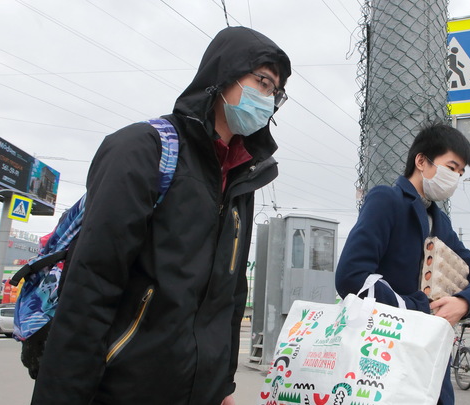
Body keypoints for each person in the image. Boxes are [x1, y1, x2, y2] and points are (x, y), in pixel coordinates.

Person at [31, 27, 291, 405]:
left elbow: (231, 298)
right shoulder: (142, 149)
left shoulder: (242, 176)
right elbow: (91, 287)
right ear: (222, 73)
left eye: (275, 92)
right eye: (262, 82)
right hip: (123, 390)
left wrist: (222, 385)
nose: (267, 99)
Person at [335, 123, 470, 405]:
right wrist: (420, 308)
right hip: (380, 356)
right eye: (451, 167)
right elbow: (351, 276)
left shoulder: (439, 222)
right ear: (421, 161)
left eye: (460, 173)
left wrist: (464, 303)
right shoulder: (387, 200)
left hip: (428, 360)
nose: (455, 178)